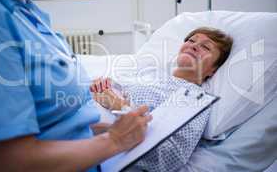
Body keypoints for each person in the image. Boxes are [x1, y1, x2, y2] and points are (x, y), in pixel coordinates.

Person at [0, 0, 152, 171]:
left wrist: (110, 130)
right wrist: (115, 140)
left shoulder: (28, 11)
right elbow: (10, 162)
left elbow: (58, 121)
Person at [90, 27, 233, 171]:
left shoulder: (194, 99)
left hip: (95, 144)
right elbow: (111, 84)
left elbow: (167, 157)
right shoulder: (153, 73)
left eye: (205, 47)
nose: (194, 45)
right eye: (191, 40)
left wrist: (121, 106)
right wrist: (101, 85)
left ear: (213, 70)